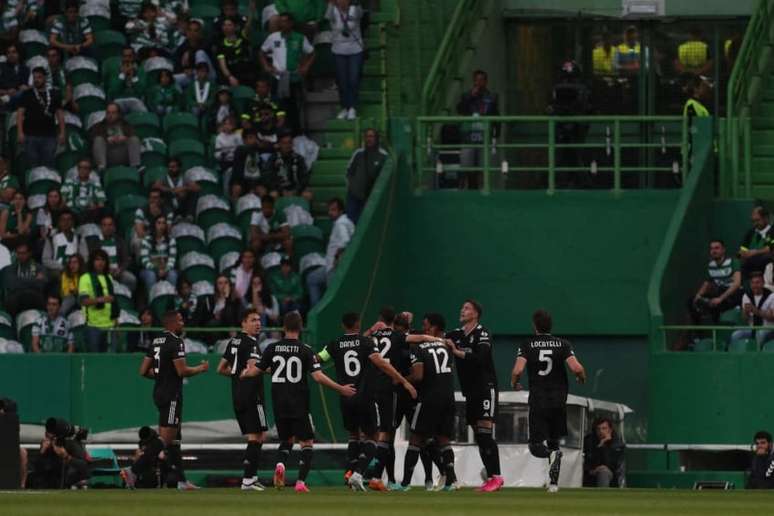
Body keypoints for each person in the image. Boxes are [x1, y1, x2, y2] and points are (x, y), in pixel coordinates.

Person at [240, 311, 357, 493]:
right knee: (307, 442)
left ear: (284, 327)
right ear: (300, 327)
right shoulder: (306, 349)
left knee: (286, 439)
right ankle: (301, 482)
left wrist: (244, 373)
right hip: (299, 400)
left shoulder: (272, 348)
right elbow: (318, 377)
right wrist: (341, 388)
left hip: (279, 401)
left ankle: (280, 464)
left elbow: (256, 371)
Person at [317, 312, 417, 491]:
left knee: (354, 435)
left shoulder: (334, 344)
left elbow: (317, 359)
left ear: (343, 326)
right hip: (364, 397)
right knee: (374, 436)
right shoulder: (366, 343)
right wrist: (404, 381)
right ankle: (358, 473)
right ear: (358, 324)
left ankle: (349, 472)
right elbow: (382, 363)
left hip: (345, 397)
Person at [124, 311, 209, 490]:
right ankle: (133, 470)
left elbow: (143, 371)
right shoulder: (176, 342)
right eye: (180, 320)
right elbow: (182, 371)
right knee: (166, 439)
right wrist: (201, 368)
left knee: (175, 438)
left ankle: (181, 480)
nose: (183, 322)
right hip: (171, 395)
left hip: (159, 392)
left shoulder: (155, 341)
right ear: (171, 323)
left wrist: (162, 376)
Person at [364, 307, 445, 491]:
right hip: (402, 393)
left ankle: (423, 478)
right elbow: (422, 338)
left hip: (399, 392)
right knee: (408, 436)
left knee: (407, 436)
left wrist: (370, 330)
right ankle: (395, 479)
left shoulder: (378, 336)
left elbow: (360, 339)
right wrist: (440, 341)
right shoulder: (401, 337)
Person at [510, 309, 587, 493]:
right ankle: (553, 484)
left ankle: (551, 456)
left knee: (536, 445)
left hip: (539, 399)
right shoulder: (563, 344)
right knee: (554, 442)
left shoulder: (527, 344)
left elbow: (518, 370)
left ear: (534, 326)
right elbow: (576, 367)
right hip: (559, 400)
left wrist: (514, 383)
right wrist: (581, 377)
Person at [395, 313, 459, 492]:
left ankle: (405, 484)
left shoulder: (420, 347)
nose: (424, 329)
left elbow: (418, 375)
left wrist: (400, 379)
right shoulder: (447, 345)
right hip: (448, 397)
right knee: (444, 440)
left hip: (429, 398)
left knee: (415, 439)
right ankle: (450, 483)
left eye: (426, 325)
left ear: (434, 327)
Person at [444, 300, 503, 492]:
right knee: (480, 436)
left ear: (476, 313)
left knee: (485, 433)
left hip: (486, 388)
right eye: (462, 307)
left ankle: (497, 477)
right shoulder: (457, 334)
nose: (462, 310)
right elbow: (436, 338)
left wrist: (456, 352)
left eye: (467, 308)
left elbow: (481, 358)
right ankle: (491, 477)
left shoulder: (482, 333)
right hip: (470, 392)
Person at [216, 310, 268, 491]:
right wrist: (273, 369)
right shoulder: (252, 344)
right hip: (252, 394)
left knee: (258, 435)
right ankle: (247, 480)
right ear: (243, 324)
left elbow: (220, 368)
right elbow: (255, 368)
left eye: (259, 320)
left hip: (238, 395)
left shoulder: (234, 342)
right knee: (257, 436)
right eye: (253, 320)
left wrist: (237, 375)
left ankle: (252, 477)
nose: (258, 323)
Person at [260, 12, 315, 131]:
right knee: (278, 106)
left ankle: (296, 133)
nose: (282, 23)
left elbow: (312, 53)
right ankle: (279, 132)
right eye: (280, 21)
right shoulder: (273, 37)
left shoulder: (299, 38)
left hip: (294, 77)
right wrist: (266, 66)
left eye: (285, 21)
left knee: (294, 107)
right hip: (278, 77)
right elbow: (262, 52)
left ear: (291, 23)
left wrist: (306, 67)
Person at [456, 70, 500, 190]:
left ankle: (483, 191)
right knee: (466, 166)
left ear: (486, 82)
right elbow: (460, 110)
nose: (479, 83)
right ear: (473, 81)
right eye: (477, 80)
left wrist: (495, 136)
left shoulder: (492, 97)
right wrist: (471, 96)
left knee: (483, 167)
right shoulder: (466, 95)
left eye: (482, 80)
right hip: (468, 136)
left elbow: (496, 117)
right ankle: (464, 190)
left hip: (484, 136)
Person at [17, 67, 65, 169]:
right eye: (34, 77)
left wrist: (62, 133)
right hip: (30, 136)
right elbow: (20, 114)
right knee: (32, 166)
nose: (36, 80)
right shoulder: (27, 94)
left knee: (49, 165)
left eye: (39, 77)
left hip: (49, 136)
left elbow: (60, 114)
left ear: (44, 78)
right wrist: (20, 132)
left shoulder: (54, 94)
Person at [688, 239, 743, 325]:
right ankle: (698, 336)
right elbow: (706, 283)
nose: (714, 251)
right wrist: (698, 295)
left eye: (717, 248)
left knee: (716, 303)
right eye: (712, 249)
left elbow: (737, 284)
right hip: (719, 293)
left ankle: (718, 328)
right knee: (692, 301)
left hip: (733, 295)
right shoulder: (711, 265)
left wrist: (720, 298)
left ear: (723, 250)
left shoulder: (733, 262)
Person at [326, 0, 364, 120]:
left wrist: (354, 5)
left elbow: (360, 14)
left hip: (355, 49)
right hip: (338, 49)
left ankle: (352, 107)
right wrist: (331, 5)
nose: (343, 1)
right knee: (342, 81)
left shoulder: (355, 9)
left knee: (353, 79)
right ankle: (345, 107)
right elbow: (327, 17)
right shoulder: (333, 10)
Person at [80, 213, 137, 291]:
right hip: (99, 271)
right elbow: (90, 260)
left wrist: (120, 270)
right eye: (105, 225)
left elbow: (126, 260)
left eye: (110, 225)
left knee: (131, 279)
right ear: (100, 227)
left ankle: (125, 299)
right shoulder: (93, 242)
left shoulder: (120, 241)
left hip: (117, 271)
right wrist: (104, 270)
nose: (107, 228)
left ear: (114, 227)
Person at [79, 249, 119, 352]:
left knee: (110, 361)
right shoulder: (85, 278)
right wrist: (101, 299)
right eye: (97, 259)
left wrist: (116, 321)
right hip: (93, 326)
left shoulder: (109, 278)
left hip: (110, 326)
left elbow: (113, 302)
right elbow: (84, 301)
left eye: (103, 260)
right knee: (94, 360)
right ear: (92, 262)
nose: (100, 262)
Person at [345, 128, 388, 223]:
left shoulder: (383, 156)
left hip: (372, 198)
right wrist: (352, 187)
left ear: (376, 138)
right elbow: (349, 172)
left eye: (371, 136)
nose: (369, 139)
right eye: (367, 136)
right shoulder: (358, 154)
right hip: (355, 197)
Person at [90, 102, 142, 171]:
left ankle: (135, 166)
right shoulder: (99, 126)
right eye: (108, 113)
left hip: (123, 153)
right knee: (98, 140)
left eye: (113, 113)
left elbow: (134, 136)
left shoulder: (126, 125)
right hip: (108, 154)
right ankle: (101, 168)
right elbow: (92, 138)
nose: (110, 115)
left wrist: (125, 138)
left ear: (118, 114)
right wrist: (106, 139)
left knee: (134, 139)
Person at [2, 241, 46, 316]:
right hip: (16, 300)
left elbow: (42, 284)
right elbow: (12, 285)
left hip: (33, 298)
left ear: (29, 253)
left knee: (33, 296)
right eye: (19, 253)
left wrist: (19, 282)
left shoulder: (38, 267)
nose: (21, 256)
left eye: (23, 253)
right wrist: (34, 280)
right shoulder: (10, 268)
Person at [583, 417, 625, 488]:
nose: (601, 431)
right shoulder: (588, 441)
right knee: (602, 471)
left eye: (604, 428)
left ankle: (601, 496)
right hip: (590, 472)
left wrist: (603, 445)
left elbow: (612, 465)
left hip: (611, 475)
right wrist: (600, 446)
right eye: (598, 429)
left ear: (610, 430)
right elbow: (588, 460)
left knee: (604, 472)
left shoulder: (617, 444)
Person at [60, 159, 106, 223]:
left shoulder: (96, 184)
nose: (82, 170)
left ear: (90, 171)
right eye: (80, 167)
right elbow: (63, 202)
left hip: (89, 214)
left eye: (85, 168)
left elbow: (101, 205)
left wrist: (95, 207)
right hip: (72, 214)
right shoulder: (68, 182)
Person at [140, 214, 178, 290]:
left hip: (166, 269)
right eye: (159, 223)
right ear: (154, 225)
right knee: (151, 275)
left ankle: (171, 298)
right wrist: (156, 270)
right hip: (150, 269)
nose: (161, 226)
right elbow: (144, 261)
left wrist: (166, 270)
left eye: (163, 223)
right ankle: (153, 300)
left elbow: (172, 260)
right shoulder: (146, 240)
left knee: (173, 274)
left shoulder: (171, 240)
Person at [265, 132, 309, 197]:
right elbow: (269, 178)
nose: (287, 145)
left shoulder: (299, 158)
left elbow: (304, 178)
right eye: (284, 143)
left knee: (308, 195)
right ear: (279, 144)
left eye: (289, 142)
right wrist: (281, 190)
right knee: (273, 195)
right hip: (279, 189)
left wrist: (296, 190)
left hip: (296, 189)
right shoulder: (273, 158)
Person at [42, 209, 80, 279]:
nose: (66, 222)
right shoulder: (51, 239)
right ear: (59, 222)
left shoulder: (79, 238)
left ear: (73, 222)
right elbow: (45, 260)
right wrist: (62, 267)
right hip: (57, 271)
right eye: (63, 220)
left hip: (76, 271)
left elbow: (85, 257)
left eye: (69, 219)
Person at [216, 18, 254, 87]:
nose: (226, 27)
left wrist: (251, 12)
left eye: (229, 25)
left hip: (248, 73)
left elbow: (248, 26)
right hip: (234, 75)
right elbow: (223, 66)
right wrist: (230, 77)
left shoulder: (243, 37)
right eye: (224, 25)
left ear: (235, 27)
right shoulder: (220, 45)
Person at [740, 206, 774, 277]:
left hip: (767, 265)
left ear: (765, 218)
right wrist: (743, 253)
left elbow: (771, 247)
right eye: (753, 221)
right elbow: (743, 248)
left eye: (758, 220)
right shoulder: (750, 233)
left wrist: (754, 252)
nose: (755, 223)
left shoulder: (772, 231)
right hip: (750, 265)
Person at [325, 198, 354, 272]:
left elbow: (345, 242)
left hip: (335, 268)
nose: (330, 212)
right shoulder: (344, 221)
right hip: (331, 265)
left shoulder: (340, 223)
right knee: (312, 278)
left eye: (333, 210)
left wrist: (336, 258)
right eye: (329, 210)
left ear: (341, 211)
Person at [0, 44, 29, 109]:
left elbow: (27, 86)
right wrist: (6, 92)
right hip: (3, 95)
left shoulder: (25, 69)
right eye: (8, 52)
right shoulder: (1, 67)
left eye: (14, 52)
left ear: (19, 53)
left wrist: (25, 88)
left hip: (18, 98)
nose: (11, 55)